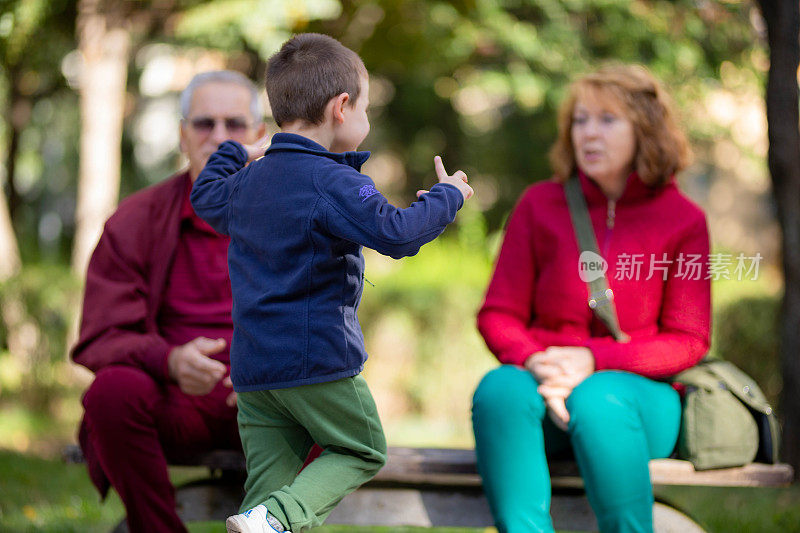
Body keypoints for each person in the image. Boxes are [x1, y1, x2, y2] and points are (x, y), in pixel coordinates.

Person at [190, 33, 474, 533]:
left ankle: (268, 517)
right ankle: (277, 516)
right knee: (362, 449)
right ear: (342, 107)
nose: (366, 122)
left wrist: (245, 150)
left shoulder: (250, 181)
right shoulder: (332, 180)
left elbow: (206, 195)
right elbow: (398, 233)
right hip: (317, 361)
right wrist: (447, 196)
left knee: (266, 489)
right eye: (366, 109)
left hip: (254, 369)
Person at [471, 64, 711, 533]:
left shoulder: (685, 220)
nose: (588, 133)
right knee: (500, 389)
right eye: (580, 120)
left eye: (607, 119)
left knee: (601, 399)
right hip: (543, 389)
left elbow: (688, 340)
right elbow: (499, 312)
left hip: (638, 403)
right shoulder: (539, 204)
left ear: (646, 129)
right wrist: (536, 361)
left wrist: (590, 360)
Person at [71, 70, 267, 533]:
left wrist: (277, 373)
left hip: (274, 405)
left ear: (259, 135)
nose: (219, 137)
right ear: (183, 135)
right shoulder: (136, 219)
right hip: (179, 400)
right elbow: (102, 335)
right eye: (204, 124)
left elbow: (328, 315)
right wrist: (171, 360)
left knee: (328, 401)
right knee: (111, 393)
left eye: (235, 124)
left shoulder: (295, 213)